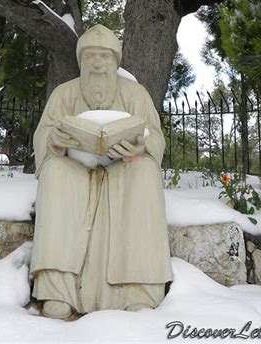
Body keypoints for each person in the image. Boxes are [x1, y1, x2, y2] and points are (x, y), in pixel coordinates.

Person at [30, 24, 172, 319]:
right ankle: (58, 289)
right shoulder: (64, 93)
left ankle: (138, 287)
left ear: (115, 61)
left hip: (124, 168)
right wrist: (54, 141)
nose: (97, 63)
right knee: (54, 172)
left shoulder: (135, 93)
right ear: (81, 61)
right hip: (75, 167)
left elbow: (156, 137)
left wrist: (140, 146)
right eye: (91, 56)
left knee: (145, 171)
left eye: (104, 57)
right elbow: (43, 135)